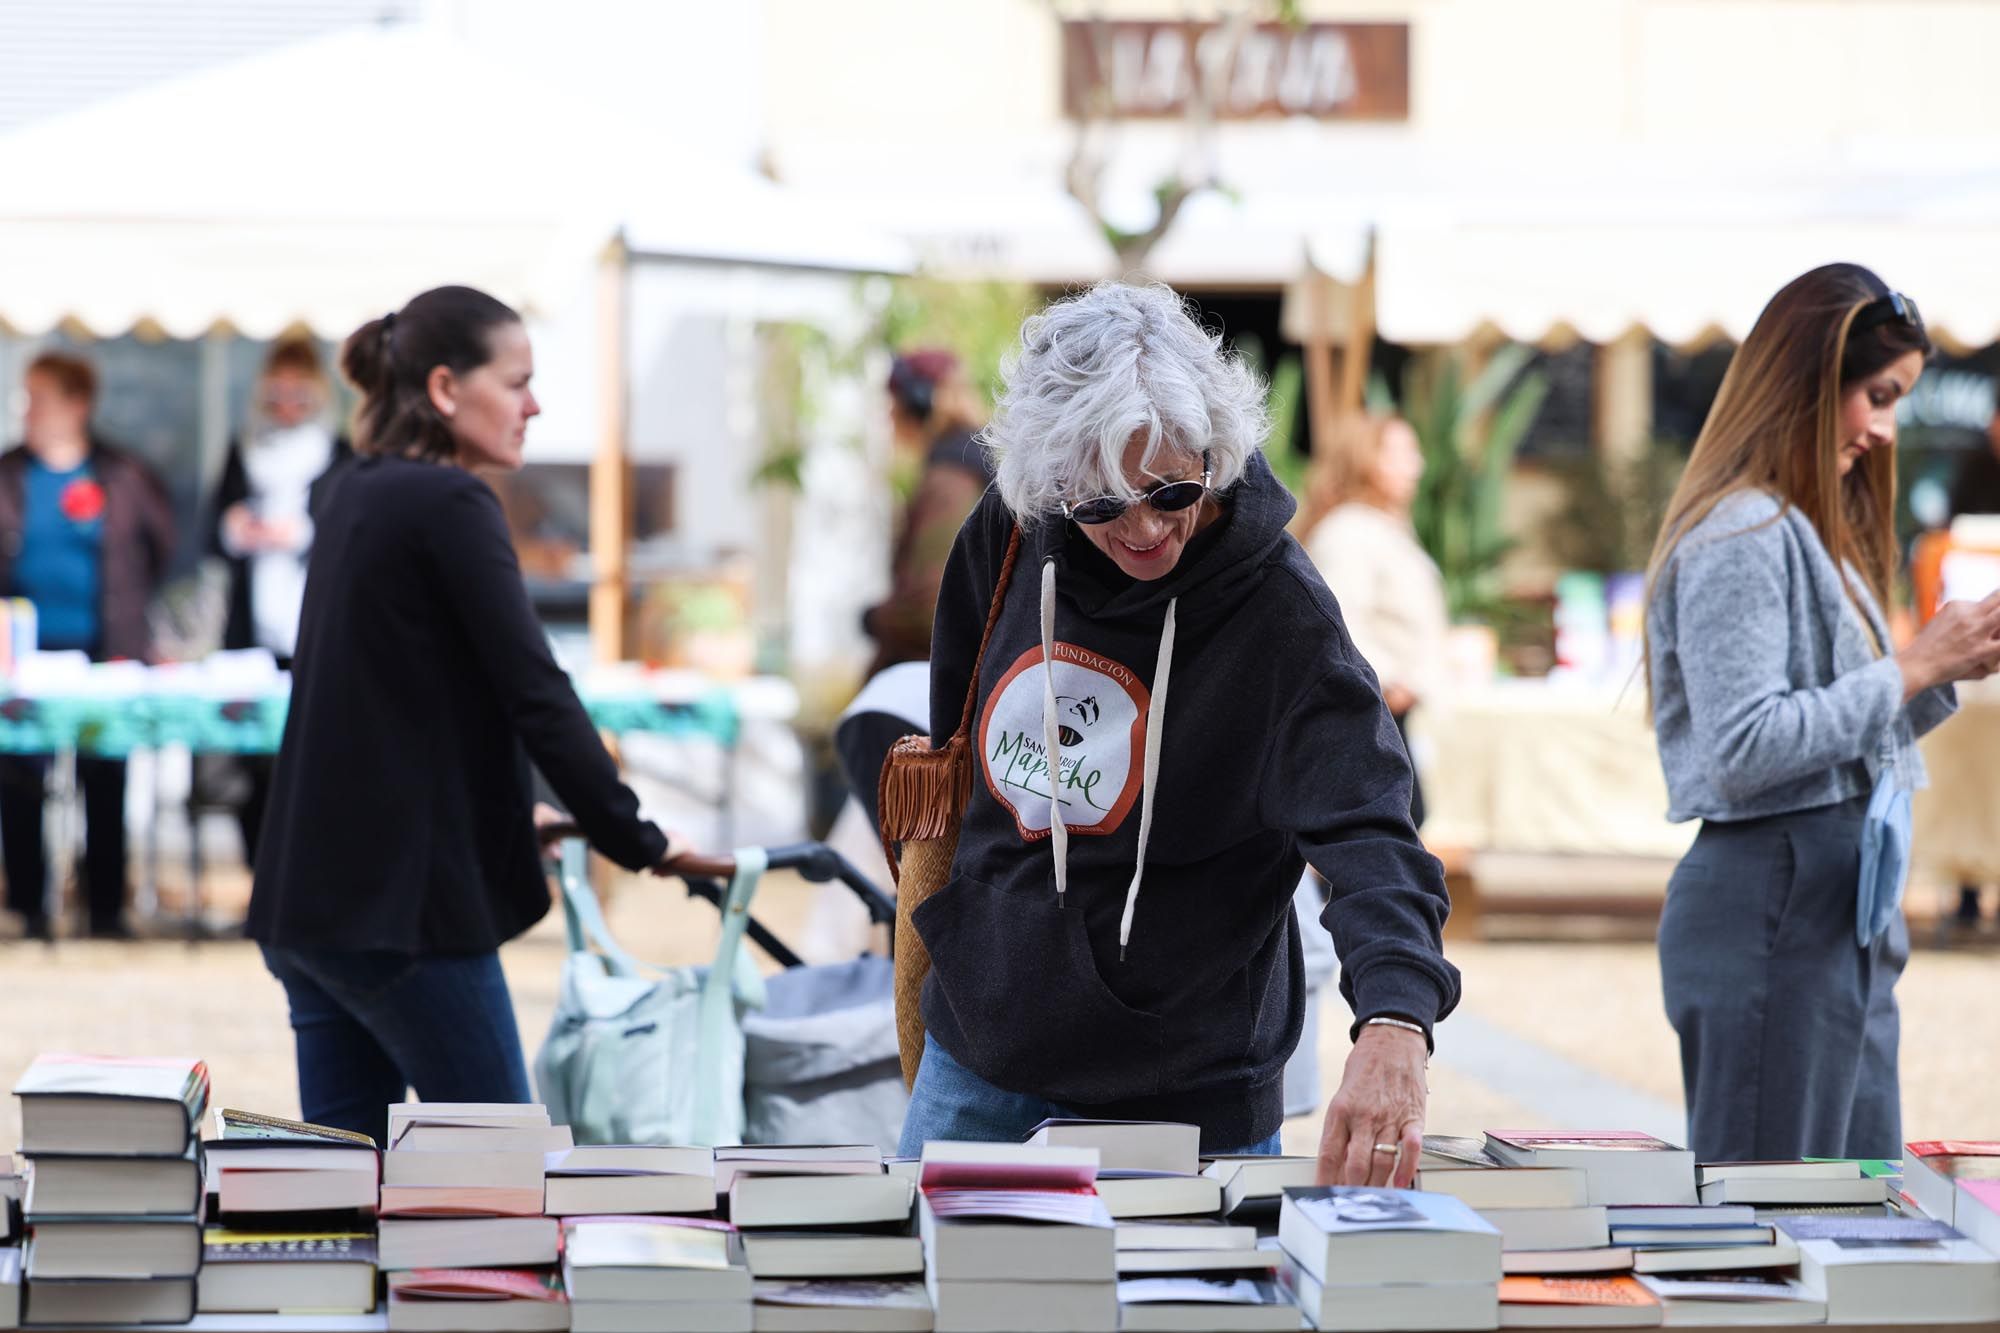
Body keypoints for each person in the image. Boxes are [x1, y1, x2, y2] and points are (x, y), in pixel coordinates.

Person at [897, 283, 1459, 1185]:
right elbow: (958, 741)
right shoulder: (1006, 536)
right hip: (982, 1063)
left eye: (1172, 489)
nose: (1146, 526)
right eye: (1101, 504)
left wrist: (1395, 1017)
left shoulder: (1281, 613)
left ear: (1216, 452)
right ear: (1048, 483)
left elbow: (1371, 830)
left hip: (1188, 1094)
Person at [245, 286, 680, 1146]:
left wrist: (507, 816)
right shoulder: (450, 503)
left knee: (341, 1200)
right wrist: (639, 840)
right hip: (402, 916)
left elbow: (391, 705)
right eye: (517, 382)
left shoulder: (352, 490)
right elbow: (537, 692)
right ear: (446, 389)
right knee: (501, 1178)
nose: (535, 404)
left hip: (310, 902)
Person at [1645, 263, 2000, 1162]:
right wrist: (1915, 663)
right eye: (1877, 397)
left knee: (1857, 1228)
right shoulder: (1743, 534)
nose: (1884, 431)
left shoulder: (1804, 528)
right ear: (1808, 383)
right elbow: (1744, 747)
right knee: (1777, 1236)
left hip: (1828, 911)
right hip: (1777, 906)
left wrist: (1942, 665)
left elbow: (1837, 733)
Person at [0, 352, 175, 940]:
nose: (30, 411)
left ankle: (104, 909)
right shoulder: (9, 474)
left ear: (78, 404)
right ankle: (29, 906)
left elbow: (160, 546)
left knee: (104, 778)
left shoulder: (119, 473)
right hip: (25, 657)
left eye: (40, 398)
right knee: (20, 780)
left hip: (105, 651)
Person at [207, 337, 351, 868]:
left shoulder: (337, 456)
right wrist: (238, 527)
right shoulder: (244, 449)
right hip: (253, 631)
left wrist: (301, 533)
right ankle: (260, 869)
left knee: (313, 754)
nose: (287, 403)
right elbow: (212, 528)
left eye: (299, 392)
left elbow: (350, 535)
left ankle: (313, 867)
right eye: (277, 392)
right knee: (254, 757)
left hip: (313, 629)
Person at [1301, 413, 1449, 827]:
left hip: (1391, 713)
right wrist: (1386, 682)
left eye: (1413, 453)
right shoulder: (1347, 532)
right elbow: (1338, 619)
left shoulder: (1383, 528)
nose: (1414, 466)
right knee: (1382, 831)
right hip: (1368, 714)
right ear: (1363, 459)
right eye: (1397, 453)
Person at [861, 349, 993, 681]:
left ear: (917, 403)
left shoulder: (950, 482)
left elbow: (932, 610)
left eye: (892, 402)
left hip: (928, 681)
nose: (889, 414)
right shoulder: (958, 469)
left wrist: (874, 619)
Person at [1942, 409, 2000, 926]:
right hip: (1974, 662)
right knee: (1970, 779)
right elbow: (1947, 544)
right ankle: (1967, 888)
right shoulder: (1973, 470)